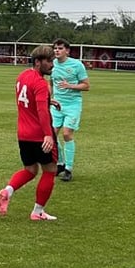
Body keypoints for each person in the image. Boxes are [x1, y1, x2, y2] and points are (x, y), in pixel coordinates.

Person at [0, 45, 59, 221]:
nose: (52, 65)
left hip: (23, 134)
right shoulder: (41, 83)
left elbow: (29, 99)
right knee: (50, 170)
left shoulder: (22, 76)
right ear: (38, 62)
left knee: (30, 170)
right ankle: (38, 212)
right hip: (39, 134)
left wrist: (48, 100)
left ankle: (7, 191)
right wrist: (48, 134)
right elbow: (41, 111)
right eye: (49, 61)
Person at [50, 38, 90, 182]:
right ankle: (60, 164)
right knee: (52, 135)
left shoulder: (76, 65)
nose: (57, 50)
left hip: (72, 105)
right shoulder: (52, 64)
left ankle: (69, 168)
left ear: (67, 50)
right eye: (55, 48)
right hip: (56, 105)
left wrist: (70, 86)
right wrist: (50, 97)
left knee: (67, 134)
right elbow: (51, 82)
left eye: (60, 48)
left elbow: (86, 85)